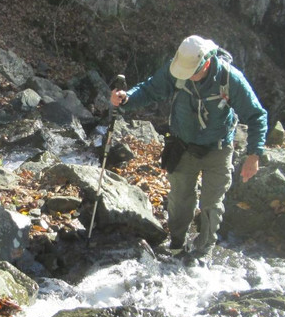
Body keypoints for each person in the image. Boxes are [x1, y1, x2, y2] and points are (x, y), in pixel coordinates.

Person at [111, 35, 267, 260]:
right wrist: (126, 99)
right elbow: (149, 90)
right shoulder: (175, 71)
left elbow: (256, 115)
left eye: (191, 72)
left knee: (211, 205)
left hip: (218, 149)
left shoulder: (230, 78)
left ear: (205, 63)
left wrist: (254, 154)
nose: (186, 76)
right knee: (180, 200)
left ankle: (203, 252)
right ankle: (176, 246)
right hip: (182, 146)